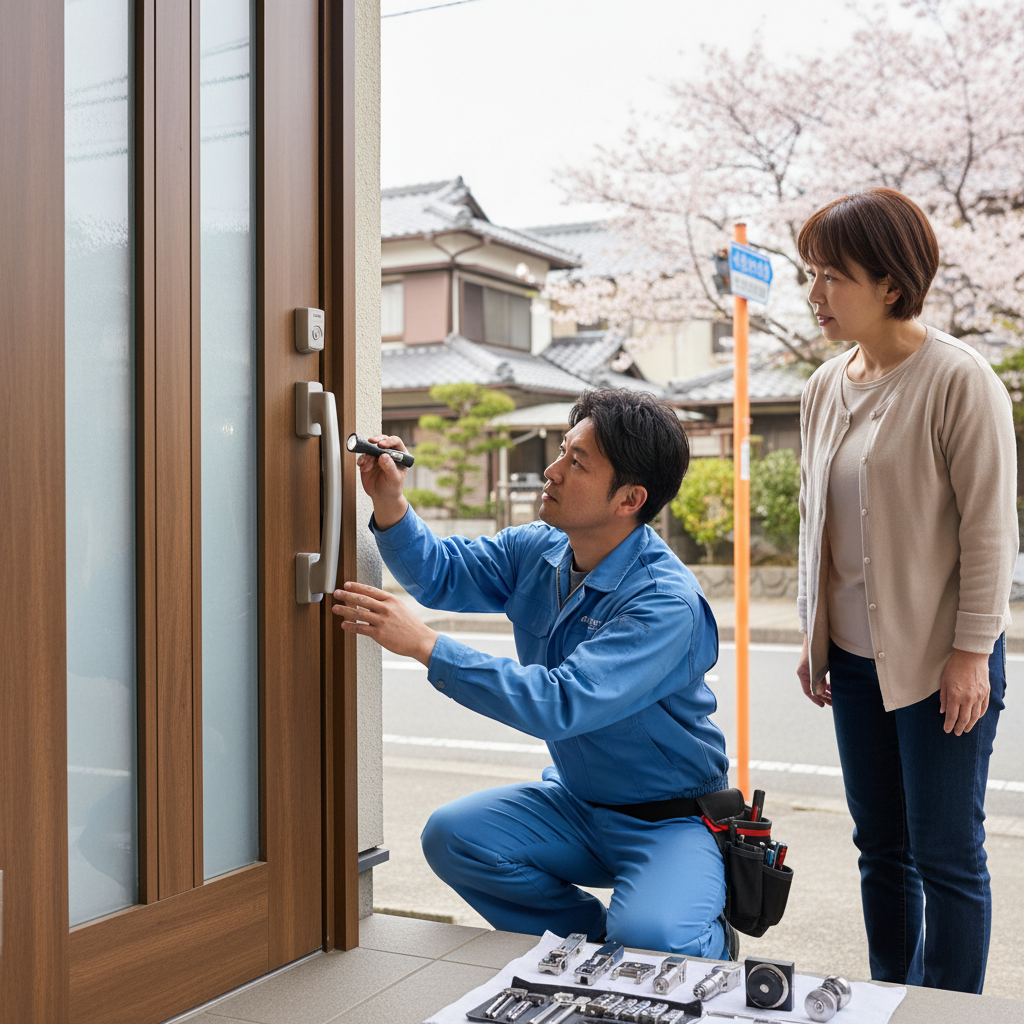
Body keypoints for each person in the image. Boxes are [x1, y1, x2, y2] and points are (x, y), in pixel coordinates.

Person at [332, 388, 734, 957]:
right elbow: (441, 574)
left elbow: (560, 702)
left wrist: (426, 645)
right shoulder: (541, 548)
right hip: (576, 805)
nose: (552, 470)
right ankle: (584, 942)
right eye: (562, 451)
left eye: (577, 462)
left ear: (629, 499)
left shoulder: (665, 603)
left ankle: (708, 937)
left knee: (653, 938)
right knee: (455, 837)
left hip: (668, 821)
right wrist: (389, 499)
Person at [795, 187, 1017, 993]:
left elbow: (991, 532)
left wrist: (970, 657)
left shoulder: (960, 380)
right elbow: (816, 521)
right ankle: (887, 996)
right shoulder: (825, 386)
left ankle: (946, 1012)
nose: (815, 294)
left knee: (946, 852)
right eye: (809, 274)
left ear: (891, 282)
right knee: (879, 847)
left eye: (832, 276)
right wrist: (812, 636)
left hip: (939, 662)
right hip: (853, 662)